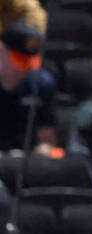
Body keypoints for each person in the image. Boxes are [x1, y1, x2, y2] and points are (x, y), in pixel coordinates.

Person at [0, 22, 56, 151]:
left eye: (28, 62)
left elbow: (47, 137)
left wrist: (44, 151)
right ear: (1, 52)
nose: (24, 69)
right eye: (19, 61)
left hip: (27, 159)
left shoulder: (42, 83)